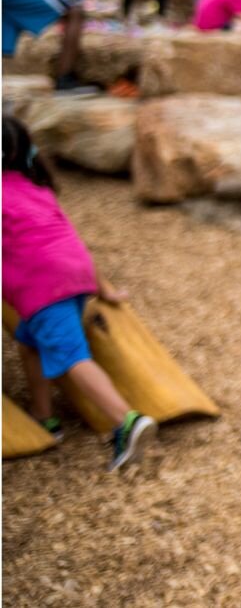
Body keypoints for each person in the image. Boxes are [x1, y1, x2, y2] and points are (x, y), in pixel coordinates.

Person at [2, 117, 157, 470]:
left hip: (44, 288)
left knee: (73, 357)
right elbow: (68, 238)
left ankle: (127, 421)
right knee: (30, 342)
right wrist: (106, 290)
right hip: (75, 276)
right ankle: (44, 418)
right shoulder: (35, 187)